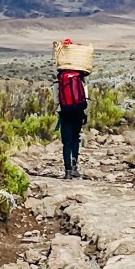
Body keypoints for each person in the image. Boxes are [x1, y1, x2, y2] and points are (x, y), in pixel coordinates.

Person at [56, 40, 88, 179]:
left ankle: (67, 171)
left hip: (65, 112)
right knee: (76, 138)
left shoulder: (59, 80)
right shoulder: (80, 78)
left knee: (66, 142)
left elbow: (56, 100)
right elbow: (85, 97)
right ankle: (75, 167)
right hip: (78, 112)